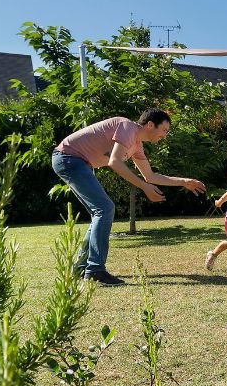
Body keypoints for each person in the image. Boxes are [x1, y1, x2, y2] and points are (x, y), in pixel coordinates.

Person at [52, 108, 206, 286]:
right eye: (164, 130)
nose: (165, 135)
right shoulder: (127, 127)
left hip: (77, 162)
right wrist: (144, 187)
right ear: (150, 125)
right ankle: (95, 270)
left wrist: (184, 182)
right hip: (69, 158)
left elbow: (150, 176)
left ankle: (81, 267)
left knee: (100, 212)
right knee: (105, 209)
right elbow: (115, 162)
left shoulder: (136, 145)